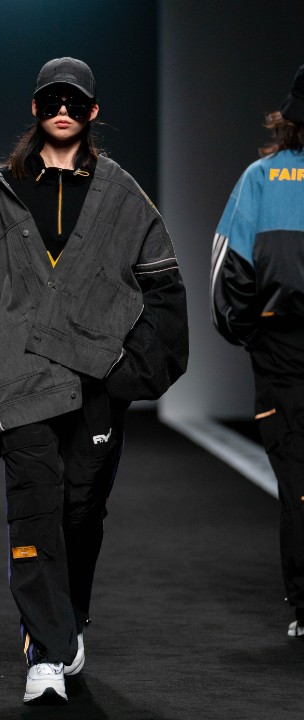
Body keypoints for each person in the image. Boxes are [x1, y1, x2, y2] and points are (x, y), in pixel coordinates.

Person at [0, 57, 188, 704]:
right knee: (35, 510)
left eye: (74, 101)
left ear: (92, 112)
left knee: (81, 509)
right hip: (18, 375)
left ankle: (68, 618)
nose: (62, 110)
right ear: (34, 107)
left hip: (96, 380)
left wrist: (132, 372)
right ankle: (45, 653)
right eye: (51, 99)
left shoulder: (124, 196)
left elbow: (165, 290)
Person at [210, 64, 304, 639]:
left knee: (297, 478)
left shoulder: (262, 179)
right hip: (279, 343)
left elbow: (229, 274)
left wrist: (253, 334)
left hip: (282, 347)